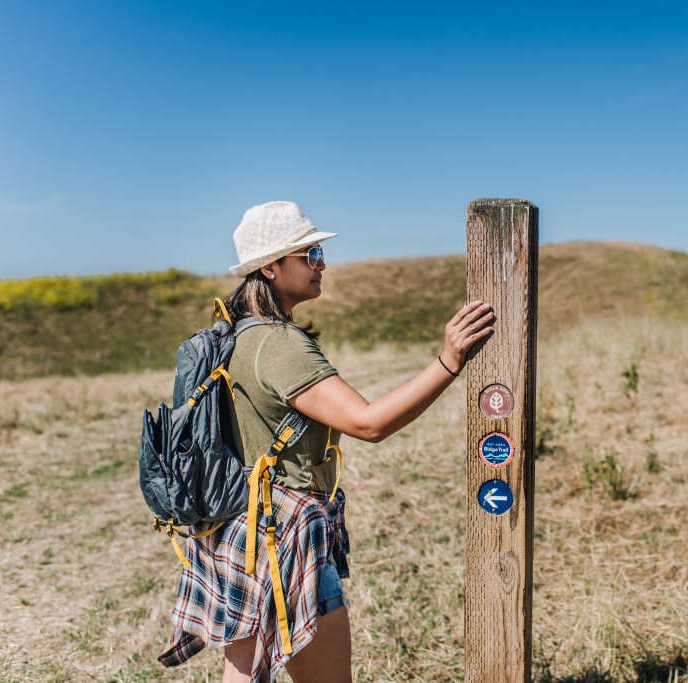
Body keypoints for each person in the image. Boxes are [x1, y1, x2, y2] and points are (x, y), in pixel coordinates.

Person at [158, 201, 493, 682]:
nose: (322, 263)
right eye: (309, 252)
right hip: (284, 537)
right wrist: (449, 362)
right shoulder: (279, 344)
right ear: (270, 267)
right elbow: (369, 423)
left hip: (238, 530)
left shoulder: (232, 335)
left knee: (244, 671)